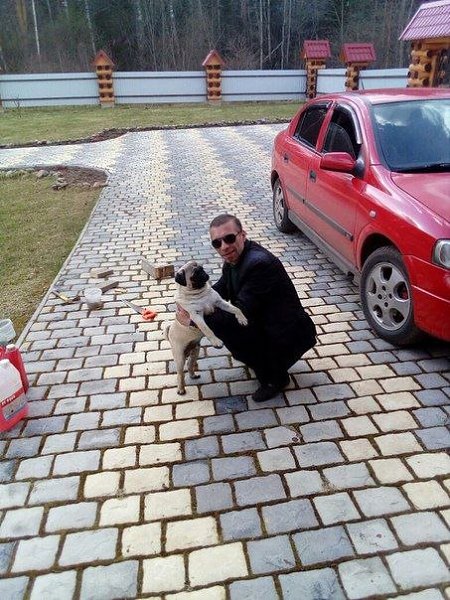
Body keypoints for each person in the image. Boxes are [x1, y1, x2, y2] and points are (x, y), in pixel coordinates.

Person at [177, 214, 317, 402]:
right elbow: (221, 289)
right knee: (225, 324)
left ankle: (276, 378)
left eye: (229, 238)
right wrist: (192, 301)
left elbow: (237, 315)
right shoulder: (234, 257)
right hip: (267, 322)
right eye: (217, 243)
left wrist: (193, 318)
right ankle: (263, 361)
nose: (224, 246)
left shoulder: (259, 264)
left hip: (289, 335)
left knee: (228, 328)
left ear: (242, 235)